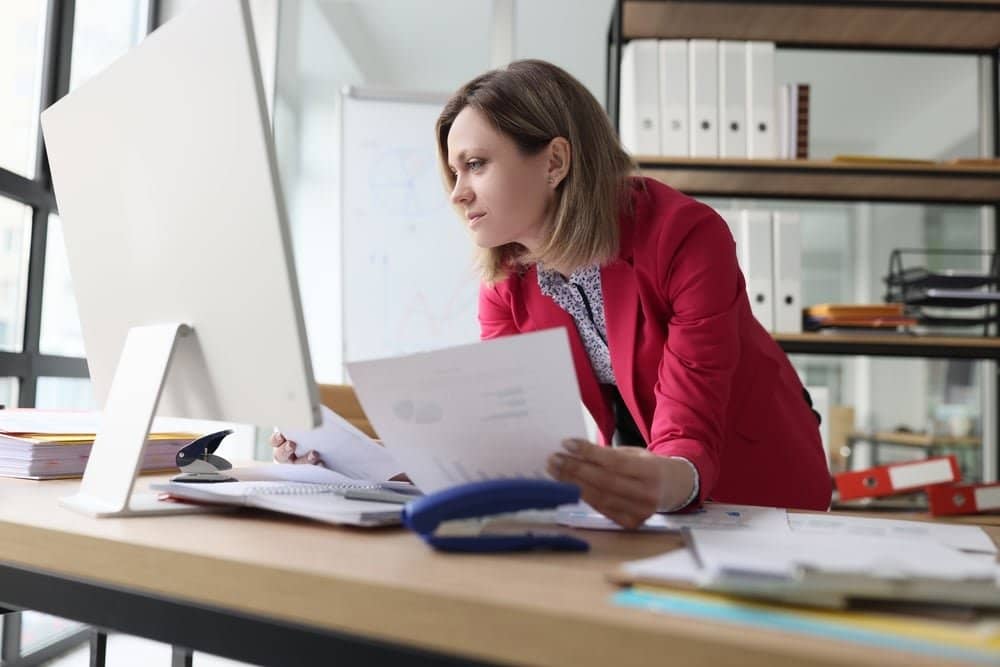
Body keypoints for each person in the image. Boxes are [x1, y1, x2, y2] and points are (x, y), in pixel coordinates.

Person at [273, 59, 832, 528]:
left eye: (476, 165)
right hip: (651, 494)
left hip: (760, 488)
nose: (459, 194)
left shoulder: (685, 236)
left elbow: (690, 422)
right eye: (454, 172)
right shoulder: (508, 284)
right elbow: (504, 443)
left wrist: (659, 479)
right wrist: (357, 466)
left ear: (556, 161)